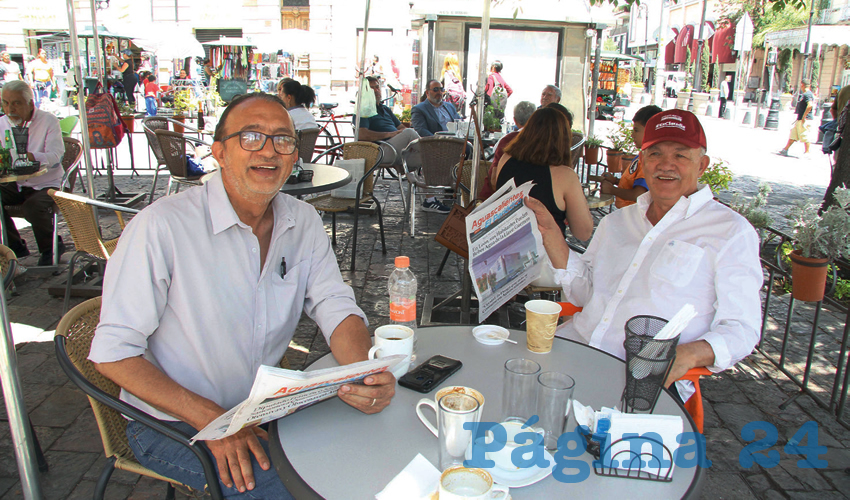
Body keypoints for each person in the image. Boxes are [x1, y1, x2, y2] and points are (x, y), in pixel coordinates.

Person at [89, 93, 396, 498]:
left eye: (283, 140)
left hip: (261, 409)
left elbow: (335, 305)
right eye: (251, 137)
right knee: (300, 491)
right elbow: (113, 353)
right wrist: (214, 423)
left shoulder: (301, 220)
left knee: (368, 454)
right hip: (174, 423)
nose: (269, 151)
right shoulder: (161, 227)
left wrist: (363, 376)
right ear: (219, 152)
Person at [527, 109, 762, 403]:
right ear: (642, 162)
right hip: (574, 348)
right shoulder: (618, 222)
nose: (666, 165)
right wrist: (551, 233)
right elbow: (585, 293)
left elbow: (742, 328)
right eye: (655, 154)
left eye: (680, 155)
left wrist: (686, 355)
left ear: (701, 165)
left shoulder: (729, 232)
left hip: (641, 378)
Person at [491, 107, 593, 240]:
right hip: (548, 253)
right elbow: (583, 233)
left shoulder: (506, 159)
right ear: (564, 138)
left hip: (506, 246)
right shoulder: (565, 176)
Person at [0, 81, 65, 265]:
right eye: (5, 103)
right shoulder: (2, 123)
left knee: (33, 207)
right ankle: (14, 247)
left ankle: (51, 248)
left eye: (16, 103)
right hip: (16, 183)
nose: (10, 109)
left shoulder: (47, 120)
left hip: (46, 183)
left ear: (30, 103)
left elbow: (55, 156)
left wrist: (30, 157)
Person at [356, 76, 421, 176]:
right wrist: (391, 134)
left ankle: (443, 180)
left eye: (377, 87)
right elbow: (362, 134)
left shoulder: (385, 109)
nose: (376, 90)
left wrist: (400, 134)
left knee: (425, 158)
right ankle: (430, 150)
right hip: (379, 151)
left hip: (396, 150)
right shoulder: (364, 110)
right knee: (410, 133)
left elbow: (401, 128)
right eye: (371, 88)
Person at [600, 105, 662, 208]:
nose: (632, 135)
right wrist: (615, 181)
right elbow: (635, 185)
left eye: (636, 130)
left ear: (651, 132)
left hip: (635, 217)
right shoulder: (642, 155)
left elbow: (638, 194)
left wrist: (612, 190)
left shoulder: (650, 160)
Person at [479, 101, 537, 200]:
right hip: (526, 198)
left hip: (496, 199)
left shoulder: (506, 140)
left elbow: (493, 178)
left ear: (515, 120)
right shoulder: (541, 140)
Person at [821, 84, 850, 212]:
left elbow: (834, 110)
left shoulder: (844, 90)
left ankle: (837, 198)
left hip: (841, 138)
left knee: (837, 166)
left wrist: (838, 125)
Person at [779, 79, 814, 157]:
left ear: (802, 85)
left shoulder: (807, 94)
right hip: (800, 119)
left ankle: (807, 152)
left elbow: (810, 105)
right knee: (793, 135)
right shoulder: (807, 94)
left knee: (805, 135)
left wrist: (804, 116)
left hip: (805, 119)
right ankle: (785, 149)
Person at [442, 53, 465, 118]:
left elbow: (445, 89)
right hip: (456, 103)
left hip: (448, 104)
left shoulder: (447, 73)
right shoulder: (456, 74)